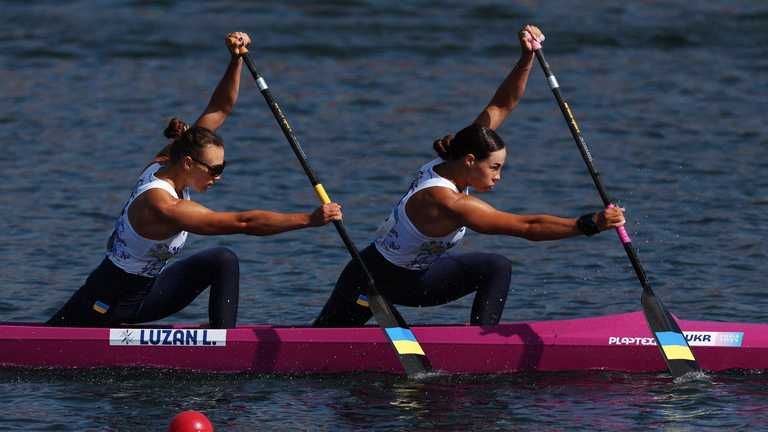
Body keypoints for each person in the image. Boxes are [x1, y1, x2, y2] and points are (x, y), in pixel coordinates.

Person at [313, 25, 625, 328]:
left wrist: (526, 58)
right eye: (495, 168)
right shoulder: (446, 201)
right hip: (370, 280)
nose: (499, 177)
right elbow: (526, 227)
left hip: (416, 276)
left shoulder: (451, 159)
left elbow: (502, 104)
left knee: (495, 266)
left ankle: (482, 342)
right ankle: (480, 350)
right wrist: (589, 224)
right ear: (471, 160)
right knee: (317, 348)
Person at [48, 32, 342, 329]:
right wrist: (308, 219)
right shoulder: (163, 204)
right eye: (213, 169)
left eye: (222, 167)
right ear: (188, 162)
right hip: (109, 301)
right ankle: (223, 349)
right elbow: (244, 223)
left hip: (146, 291)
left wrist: (235, 60)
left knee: (222, 261)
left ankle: (220, 336)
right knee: (53, 334)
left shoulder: (167, 160)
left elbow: (220, 109)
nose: (219, 176)